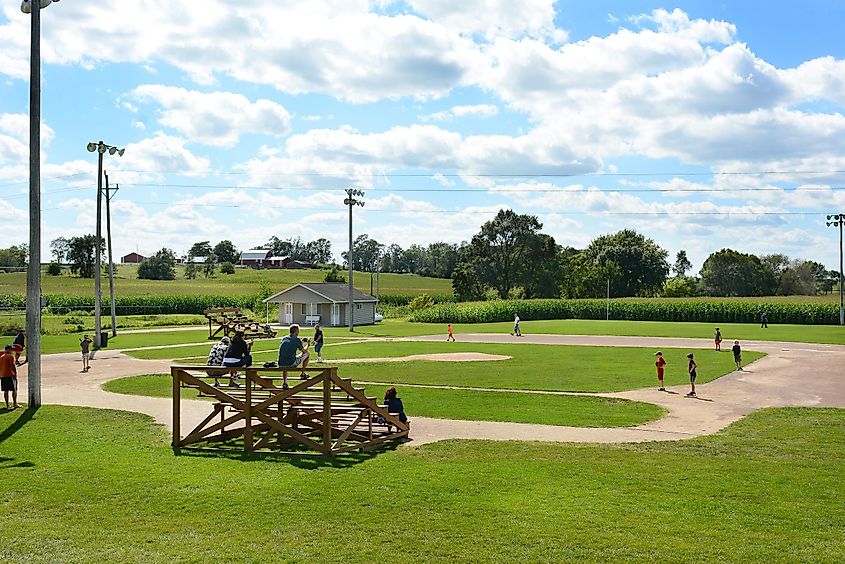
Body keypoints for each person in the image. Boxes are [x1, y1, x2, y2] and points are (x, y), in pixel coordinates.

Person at [1, 344, 19, 409]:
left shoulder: (2, 357)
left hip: (3, 375)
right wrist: (14, 374)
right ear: (8, 349)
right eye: (11, 349)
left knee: (6, 391)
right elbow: (12, 366)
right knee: (14, 389)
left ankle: (7, 405)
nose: (12, 350)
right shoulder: (10, 356)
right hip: (10, 375)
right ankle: (15, 403)